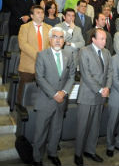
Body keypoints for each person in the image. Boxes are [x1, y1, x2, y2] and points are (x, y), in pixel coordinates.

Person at [32, 27, 75, 166]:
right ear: (50, 40)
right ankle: (37, 158)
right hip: (46, 100)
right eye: (55, 37)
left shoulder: (68, 55)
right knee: (41, 132)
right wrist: (55, 94)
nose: (58, 40)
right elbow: (40, 77)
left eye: (61, 37)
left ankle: (52, 153)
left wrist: (64, 92)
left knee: (56, 130)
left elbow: (72, 76)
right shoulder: (42, 55)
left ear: (64, 40)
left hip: (61, 101)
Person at [75, 29, 113, 166]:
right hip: (87, 95)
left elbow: (110, 72)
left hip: (101, 96)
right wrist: (100, 89)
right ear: (93, 39)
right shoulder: (84, 51)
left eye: (105, 39)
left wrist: (107, 87)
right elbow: (86, 75)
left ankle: (90, 150)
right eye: (102, 39)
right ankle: (78, 153)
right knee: (82, 126)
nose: (105, 41)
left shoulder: (107, 52)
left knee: (95, 126)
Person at [17, 6, 52, 105]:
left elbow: (51, 45)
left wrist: (44, 58)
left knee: (42, 93)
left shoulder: (49, 28)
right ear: (32, 16)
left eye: (42, 12)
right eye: (38, 12)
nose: (41, 14)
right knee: (23, 92)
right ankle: (20, 112)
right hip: (28, 66)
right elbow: (23, 44)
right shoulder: (24, 27)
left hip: (44, 66)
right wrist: (39, 56)